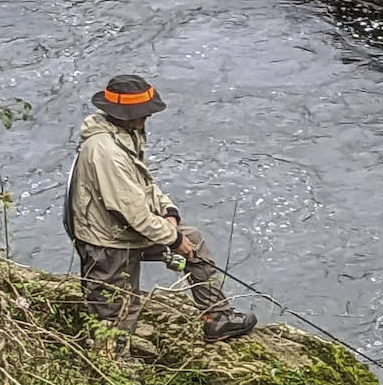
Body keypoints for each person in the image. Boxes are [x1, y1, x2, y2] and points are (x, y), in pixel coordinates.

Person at [63, 74, 257, 344]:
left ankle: (218, 319)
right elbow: (132, 214)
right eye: (143, 113)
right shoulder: (106, 152)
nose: (147, 118)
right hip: (106, 243)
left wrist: (169, 213)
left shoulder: (125, 134)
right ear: (123, 114)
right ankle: (113, 369)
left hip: (123, 231)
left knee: (195, 243)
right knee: (117, 316)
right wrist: (175, 240)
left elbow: (144, 186)